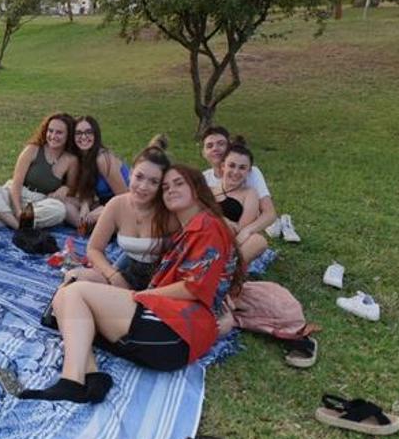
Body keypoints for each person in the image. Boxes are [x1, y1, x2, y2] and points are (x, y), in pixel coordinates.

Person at [20, 165, 238, 403]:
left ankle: (72, 381)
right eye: (165, 187)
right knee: (67, 295)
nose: (170, 190)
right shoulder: (189, 229)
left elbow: (191, 287)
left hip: (176, 332)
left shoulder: (208, 227)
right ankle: (91, 376)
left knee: (74, 295)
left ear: (197, 188)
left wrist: (139, 296)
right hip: (166, 331)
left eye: (178, 183)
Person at [65, 137, 173, 291]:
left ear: (162, 186)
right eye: (139, 177)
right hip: (126, 272)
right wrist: (113, 275)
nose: (143, 186)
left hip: (161, 282)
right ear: (130, 174)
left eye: (153, 182)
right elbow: (94, 248)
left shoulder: (170, 211)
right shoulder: (117, 204)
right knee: (73, 279)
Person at [0, 113, 78, 230]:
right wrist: (18, 211)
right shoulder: (33, 149)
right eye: (50, 131)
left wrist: (66, 188)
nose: (53, 136)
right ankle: (19, 227)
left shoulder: (71, 160)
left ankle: (4, 218)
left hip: (39, 203)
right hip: (15, 195)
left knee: (59, 210)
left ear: (69, 135)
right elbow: (16, 183)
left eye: (59, 132)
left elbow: (72, 189)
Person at [201, 127, 276, 261]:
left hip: (235, 238)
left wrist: (246, 231)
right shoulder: (205, 181)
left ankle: (221, 268)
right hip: (206, 234)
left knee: (258, 241)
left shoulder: (251, 179)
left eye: (221, 144)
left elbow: (269, 213)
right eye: (209, 146)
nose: (215, 148)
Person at [68, 115, 128, 230]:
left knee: (93, 216)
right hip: (103, 204)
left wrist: (103, 210)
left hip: (124, 206)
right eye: (78, 133)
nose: (84, 137)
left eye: (88, 132)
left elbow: (125, 197)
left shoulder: (103, 159)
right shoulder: (82, 158)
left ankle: (91, 227)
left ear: (96, 135)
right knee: (65, 204)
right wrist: (85, 205)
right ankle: (86, 226)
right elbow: (88, 190)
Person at [211, 142, 268, 262]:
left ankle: (224, 269)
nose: (236, 172)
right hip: (205, 236)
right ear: (223, 166)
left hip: (230, 242)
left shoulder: (249, 193)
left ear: (248, 171)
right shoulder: (209, 190)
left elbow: (240, 230)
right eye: (231, 165)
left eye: (242, 168)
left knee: (258, 241)